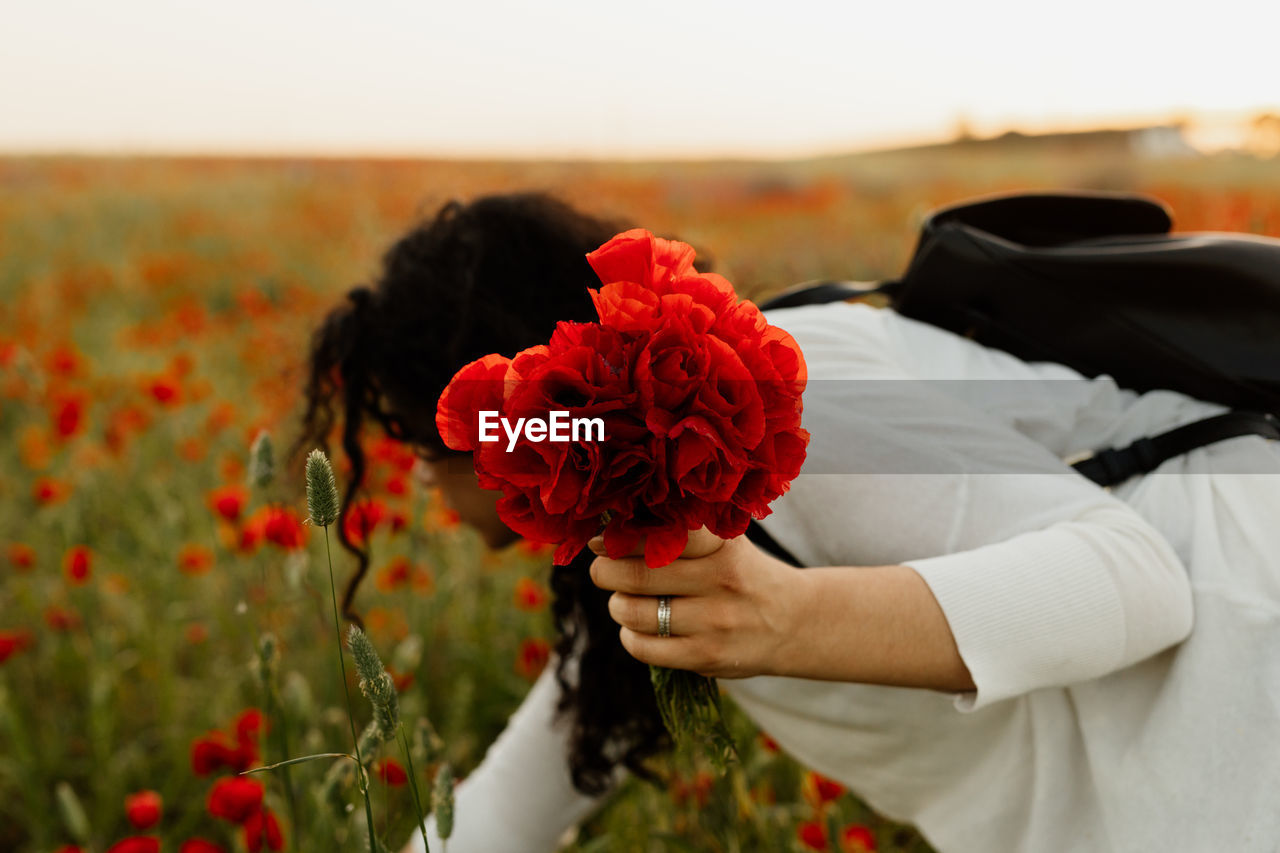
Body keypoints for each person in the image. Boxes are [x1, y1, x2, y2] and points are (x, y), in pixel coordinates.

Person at [297, 192, 1280, 853]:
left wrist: (789, 619)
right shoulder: (660, 535)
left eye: (425, 436)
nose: (418, 476)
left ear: (544, 397)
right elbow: (508, 805)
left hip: (1238, 648)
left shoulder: (777, 390)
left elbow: (1134, 577)